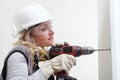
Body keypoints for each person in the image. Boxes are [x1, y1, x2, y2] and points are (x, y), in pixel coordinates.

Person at [1, 3, 76, 80]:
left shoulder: (39, 56)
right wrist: (50, 67)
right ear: (28, 35)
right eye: (44, 28)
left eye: (50, 26)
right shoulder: (18, 56)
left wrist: (51, 54)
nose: (52, 31)